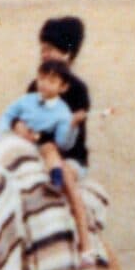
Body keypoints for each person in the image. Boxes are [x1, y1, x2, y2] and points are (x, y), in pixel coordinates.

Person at [0, 59, 100, 262]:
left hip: (45, 150)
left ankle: (84, 240)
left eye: (52, 81)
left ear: (63, 87)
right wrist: (8, 130)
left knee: (51, 151)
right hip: (22, 144)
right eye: (42, 78)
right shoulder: (27, 100)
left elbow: (64, 143)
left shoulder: (62, 112)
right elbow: (8, 114)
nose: (44, 84)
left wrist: (72, 125)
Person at [30, 15, 93, 169]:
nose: (44, 54)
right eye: (42, 49)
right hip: (37, 149)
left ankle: (74, 194)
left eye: (50, 49)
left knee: (63, 171)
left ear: (67, 54)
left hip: (68, 155)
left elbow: (66, 131)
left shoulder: (78, 90)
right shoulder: (35, 86)